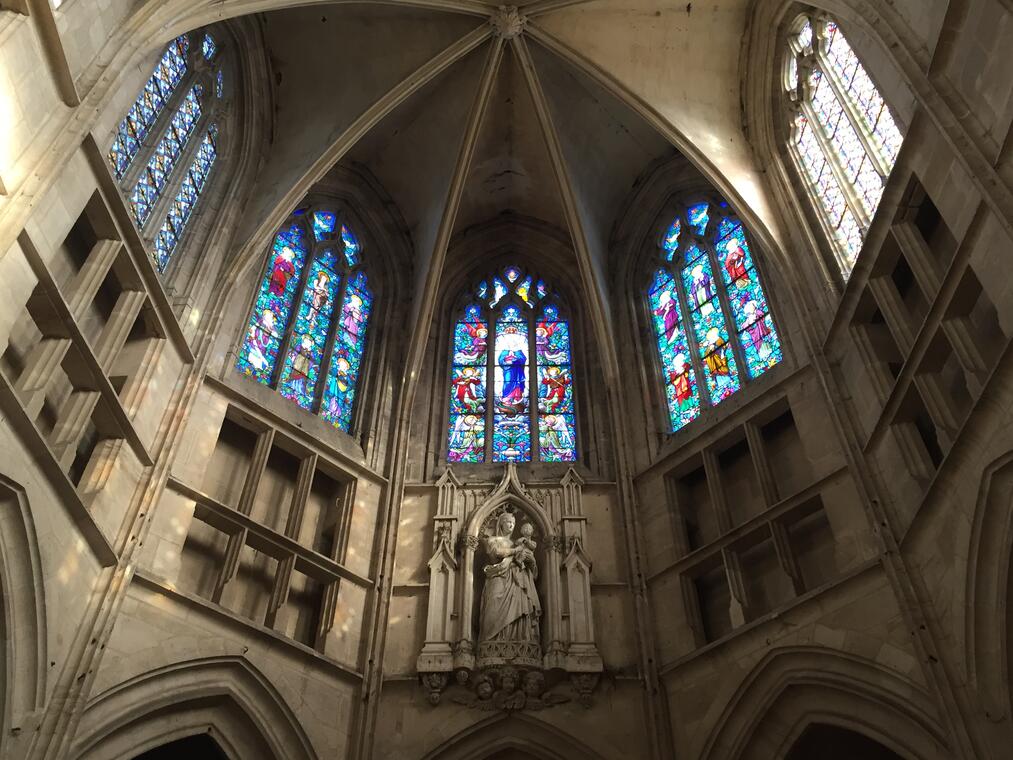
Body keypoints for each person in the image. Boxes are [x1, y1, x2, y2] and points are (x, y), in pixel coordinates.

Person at [478, 512, 541, 649]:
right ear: (501, 523)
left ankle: (518, 641)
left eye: (513, 522)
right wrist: (516, 550)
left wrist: (531, 560)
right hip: (498, 576)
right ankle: (490, 642)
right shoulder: (493, 540)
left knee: (520, 606)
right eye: (508, 522)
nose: (511, 525)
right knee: (493, 602)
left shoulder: (519, 542)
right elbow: (497, 552)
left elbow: (531, 567)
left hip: (517, 579)